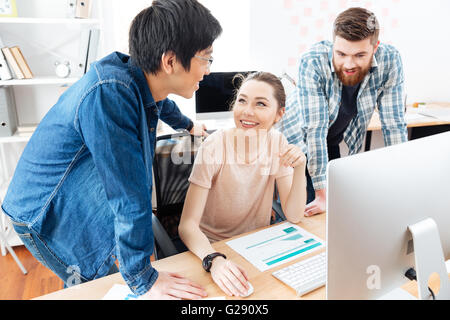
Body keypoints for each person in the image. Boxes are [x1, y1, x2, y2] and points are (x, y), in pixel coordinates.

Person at [1, 0, 222, 300]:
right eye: (206, 59)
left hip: (74, 198)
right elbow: (128, 194)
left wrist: (187, 125)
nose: (208, 70)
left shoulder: (138, 76)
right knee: (91, 286)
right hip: (44, 213)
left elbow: (161, 101)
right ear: (170, 61)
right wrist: (144, 278)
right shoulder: (110, 95)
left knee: (105, 278)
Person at [178, 72, 307, 297]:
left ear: (279, 114)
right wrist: (214, 260)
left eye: (261, 104)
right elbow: (187, 226)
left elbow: (294, 215)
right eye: (242, 100)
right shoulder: (215, 146)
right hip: (212, 247)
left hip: (256, 246)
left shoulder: (277, 142)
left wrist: (299, 168)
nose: (247, 111)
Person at [280, 7, 408, 217]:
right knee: (301, 212)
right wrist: (322, 195)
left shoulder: (390, 60)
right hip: (293, 144)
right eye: (341, 54)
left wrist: (403, 180)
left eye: (359, 55)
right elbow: (314, 130)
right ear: (333, 44)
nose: (348, 64)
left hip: (329, 142)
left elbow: (394, 125)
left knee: (336, 210)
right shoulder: (313, 61)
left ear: (375, 47)